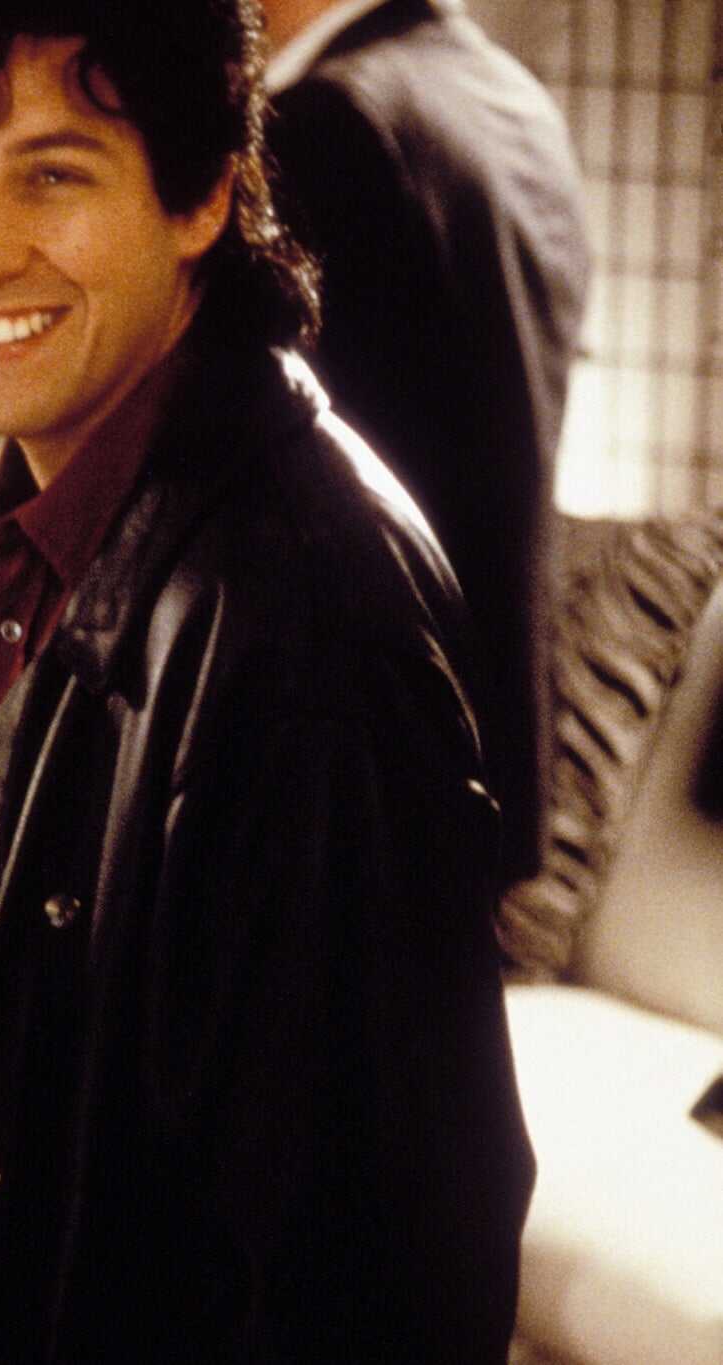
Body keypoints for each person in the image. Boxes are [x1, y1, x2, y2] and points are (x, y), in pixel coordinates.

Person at [0, 1, 533, 1360]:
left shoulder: (303, 621)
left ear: (203, 200)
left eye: (52, 175)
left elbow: (378, 1278)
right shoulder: (37, 537)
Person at [260, 0, 589, 884]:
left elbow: (259, 468)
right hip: (493, 732)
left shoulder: (326, 122)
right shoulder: (511, 98)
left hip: (345, 764)